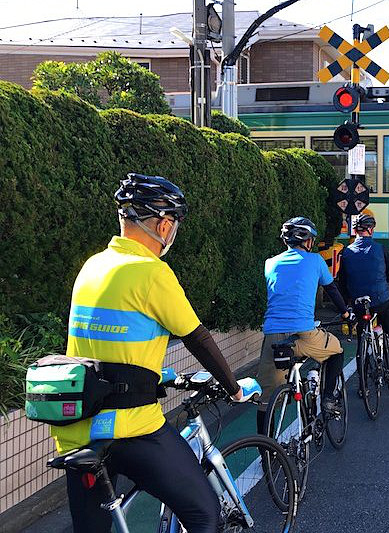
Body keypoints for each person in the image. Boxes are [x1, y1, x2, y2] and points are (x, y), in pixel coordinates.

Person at [55, 173, 260, 533]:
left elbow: (107, 344)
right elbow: (198, 339)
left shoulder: (92, 266)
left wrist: (159, 373)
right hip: (130, 427)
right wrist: (234, 389)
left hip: (77, 430)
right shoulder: (152, 273)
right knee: (203, 514)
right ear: (164, 226)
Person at [258, 217, 353, 425]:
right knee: (337, 351)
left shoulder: (270, 263)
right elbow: (331, 289)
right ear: (308, 241)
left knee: (266, 401)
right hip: (305, 333)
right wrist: (346, 314)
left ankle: (266, 451)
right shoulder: (316, 261)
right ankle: (327, 398)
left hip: (273, 336)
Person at [337, 213, 389, 390]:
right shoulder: (381, 249)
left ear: (355, 231)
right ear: (371, 230)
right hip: (381, 300)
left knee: (362, 340)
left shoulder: (346, 252)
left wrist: (347, 304)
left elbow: (342, 282)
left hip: (360, 305)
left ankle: (362, 386)